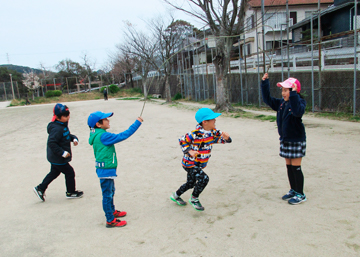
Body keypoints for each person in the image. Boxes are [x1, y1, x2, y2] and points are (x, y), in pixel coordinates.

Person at [88, 111, 143, 228]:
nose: (108, 121)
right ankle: (110, 219)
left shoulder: (97, 133)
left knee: (111, 191)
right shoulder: (103, 135)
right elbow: (123, 135)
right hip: (106, 170)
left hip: (105, 170)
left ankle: (111, 211)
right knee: (107, 195)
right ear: (98, 124)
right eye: (105, 119)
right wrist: (137, 123)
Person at [170, 108, 232, 211]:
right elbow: (182, 140)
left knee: (190, 183)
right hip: (189, 163)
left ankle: (175, 196)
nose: (215, 120)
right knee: (204, 179)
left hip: (198, 164)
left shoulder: (213, 132)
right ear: (205, 122)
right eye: (213, 119)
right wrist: (190, 151)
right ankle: (194, 198)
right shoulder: (194, 133)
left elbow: (220, 139)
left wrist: (227, 139)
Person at [261, 73, 307, 205]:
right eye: (282, 90)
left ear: (294, 91)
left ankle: (301, 194)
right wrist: (265, 83)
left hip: (296, 140)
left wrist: (293, 95)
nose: (283, 93)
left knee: (296, 167)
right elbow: (268, 100)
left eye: (286, 90)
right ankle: (293, 189)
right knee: (289, 167)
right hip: (285, 139)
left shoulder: (299, 102)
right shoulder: (282, 103)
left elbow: (298, 111)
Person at [33, 103, 83, 201]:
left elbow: (66, 135)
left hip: (55, 157)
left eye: (68, 114)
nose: (68, 117)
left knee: (54, 172)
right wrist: (62, 153)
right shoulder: (56, 128)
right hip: (58, 157)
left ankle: (40, 188)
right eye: (65, 116)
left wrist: (73, 138)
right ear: (58, 118)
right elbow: (52, 143)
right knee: (70, 172)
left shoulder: (62, 125)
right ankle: (71, 192)